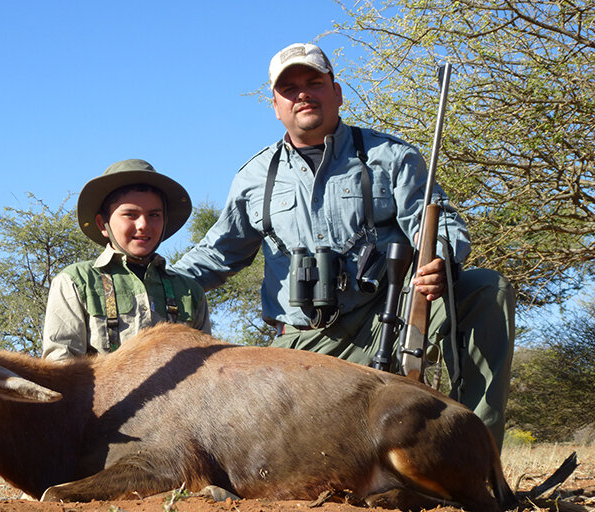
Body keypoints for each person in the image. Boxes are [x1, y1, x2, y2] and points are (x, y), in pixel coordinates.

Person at [172, 42, 515, 448]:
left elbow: (437, 222)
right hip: (303, 342)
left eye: (314, 82)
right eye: (290, 88)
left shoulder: (391, 157)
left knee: (485, 290)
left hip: (388, 318)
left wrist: (440, 257)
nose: (303, 93)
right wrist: (157, 277)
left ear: (336, 93)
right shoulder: (254, 177)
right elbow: (216, 254)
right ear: (275, 105)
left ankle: (478, 455)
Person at [42, 159, 210, 360]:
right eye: (130, 214)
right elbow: (61, 365)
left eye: (154, 215)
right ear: (102, 224)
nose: (143, 225)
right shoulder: (75, 281)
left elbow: (208, 368)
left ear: (164, 221)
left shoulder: (190, 290)